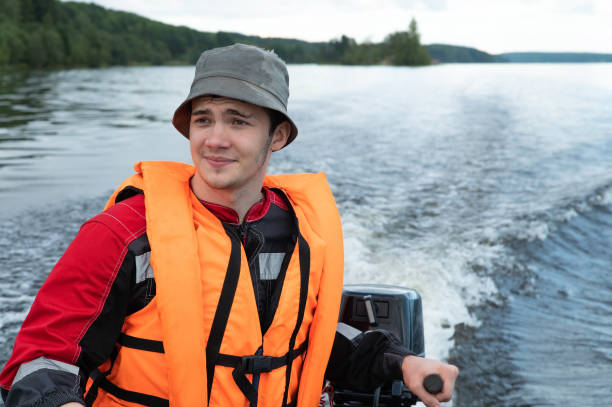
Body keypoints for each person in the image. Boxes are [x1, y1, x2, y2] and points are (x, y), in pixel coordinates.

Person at [0, 44, 458, 407]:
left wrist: (404, 365)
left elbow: (314, 339)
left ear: (276, 136)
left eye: (238, 122)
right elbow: (39, 360)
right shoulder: (122, 233)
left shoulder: (301, 232)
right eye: (204, 120)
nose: (215, 140)